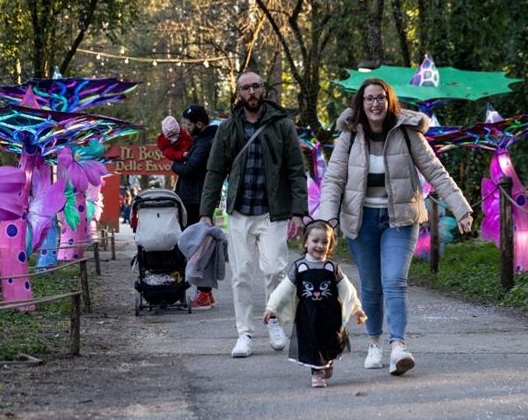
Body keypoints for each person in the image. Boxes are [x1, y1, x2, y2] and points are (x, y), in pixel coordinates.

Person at [318, 77, 473, 376]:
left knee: (394, 281)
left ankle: (398, 346)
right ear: (361, 104)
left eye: (380, 98)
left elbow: (436, 172)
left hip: (400, 219)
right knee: (371, 286)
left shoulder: (407, 133)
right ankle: (375, 342)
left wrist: (461, 207)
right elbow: (333, 180)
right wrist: (328, 221)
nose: (375, 103)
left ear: (389, 102)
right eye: (369, 98)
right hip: (360, 221)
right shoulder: (350, 136)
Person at [200, 70, 308, 358]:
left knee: (274, 269)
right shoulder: (228, 128)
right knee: (241, 275)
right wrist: (205, 211)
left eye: (256, 86)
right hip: (239, 212)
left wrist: (299, 211)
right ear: (238, 94)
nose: (251, 92)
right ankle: (244, 333)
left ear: (263, 90)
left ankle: (273, 319)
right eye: (245, 88)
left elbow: (296, 170)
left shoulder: (281, 125)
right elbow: (214, 170)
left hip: (273, 211)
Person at [263, 219, 366, 388]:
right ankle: (317, 373)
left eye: (325, 242)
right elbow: (284, 289)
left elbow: (347, 290)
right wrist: (271, 307)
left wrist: (356, 308)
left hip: (330, 315)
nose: (320, 245)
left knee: (330, 342)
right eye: (315, 241)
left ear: (331, 244)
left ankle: (327, 362)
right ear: (306, 242)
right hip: (308, 315)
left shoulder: (332, 268)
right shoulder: (299, 267)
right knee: (312, 343)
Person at [170, 104, 218, 309]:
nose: (186, 127)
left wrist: (174, 164)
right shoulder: (200, 140)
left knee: (198, 248)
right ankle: (203, 291)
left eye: (188, 124)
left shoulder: (205, 143)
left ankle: (204, 293)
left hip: (196, 202)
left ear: (199, 124)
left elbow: (190, 169)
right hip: (192, 199)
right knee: (195, 246)